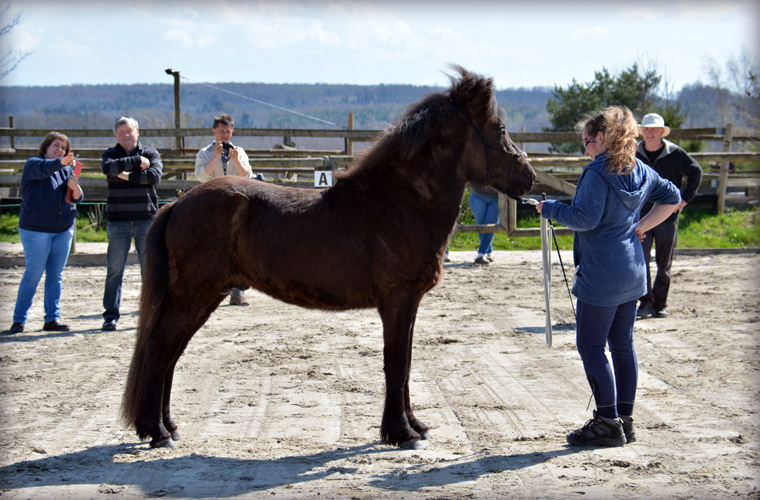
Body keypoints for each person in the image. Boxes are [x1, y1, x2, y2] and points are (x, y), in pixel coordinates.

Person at [535, 106, 681, 447]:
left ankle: (606, 422)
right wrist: (642, 226)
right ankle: (624, 420)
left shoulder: (597, 173)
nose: (585, 150)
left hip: (601, 274)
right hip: (632, 270)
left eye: (586, 142)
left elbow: (585, 219)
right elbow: (673, 198)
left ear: (600, 138)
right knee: (622, 346)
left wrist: (551, 209)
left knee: (590, 346)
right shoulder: (641, 168)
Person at [5, 132, 83, 335]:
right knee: (33, 274)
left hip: (62, 229)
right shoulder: (34, 164)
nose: (59, 150)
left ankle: (52, 318)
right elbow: (46, 169)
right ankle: (19, 320)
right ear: (46, 147)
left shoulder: (66, 170)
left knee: (55, 276)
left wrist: (76, 189)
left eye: (63, 148)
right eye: (56, 146)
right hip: (36, 229)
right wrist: (62, 162)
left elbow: (76, 198)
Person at [635, 113, 703, 319]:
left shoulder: (675, 153)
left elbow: (696, 172)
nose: (649, 132)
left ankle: (660, 304)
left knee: (664, 263)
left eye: (653, 129)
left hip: (667, 216)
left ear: (661, 132)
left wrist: (684, 199)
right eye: (646, 129)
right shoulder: (634, 153)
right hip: (642, 216)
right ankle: (645, 302)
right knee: (641, 260)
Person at [100, 117, 162, 331]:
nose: (126, 135)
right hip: (118, 221)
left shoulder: (152, 153)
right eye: (121, 132)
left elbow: (153, 177)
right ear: (116, 135)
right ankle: (110, 315)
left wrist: (124, 175)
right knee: (115, 269)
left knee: (150, 270)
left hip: (146, 219)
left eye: (129, 130)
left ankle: (151, 314)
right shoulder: (110, 154)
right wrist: (136, 163)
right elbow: (108, 168)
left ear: (137, 131)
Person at [194, 113, 253, 305]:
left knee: (238, 246)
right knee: (213, 246)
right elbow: (201, 177)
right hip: (212, 205)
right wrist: (216, 157)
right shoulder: (205, 152)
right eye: (221, 131)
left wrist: (235, 160)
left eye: (228, 131)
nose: (225, 135)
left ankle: (238, 291)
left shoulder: (240, 152)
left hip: (236, 205)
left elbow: (248, 175)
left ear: (232, 132)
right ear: (214, 132)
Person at [469, 182, 499, 265]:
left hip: (497, 198)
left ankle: (480, 255)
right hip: (477, 196)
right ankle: (489, 252)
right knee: (481, 225)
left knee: (490, 225)